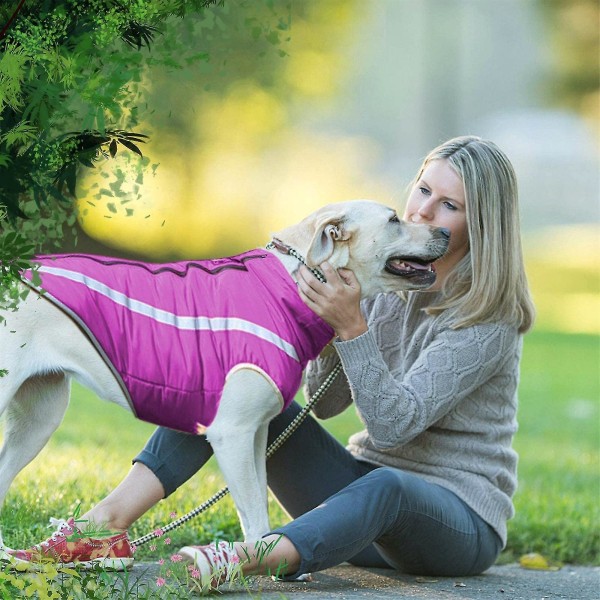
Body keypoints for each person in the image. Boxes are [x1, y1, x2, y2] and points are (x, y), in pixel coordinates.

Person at [8, 136, 535, 586]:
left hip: (453, 524)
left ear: (481, 223)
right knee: (235, 385)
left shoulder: (488, 319)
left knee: (389, 486)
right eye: (423, 190)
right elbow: (324, 405)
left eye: (449, 205)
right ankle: (104, 526)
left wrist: (352, 329)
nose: (423, 211)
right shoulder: (385, 276)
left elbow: (394, 427)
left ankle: (238, 560)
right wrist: (331, 326)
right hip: (352, 506)